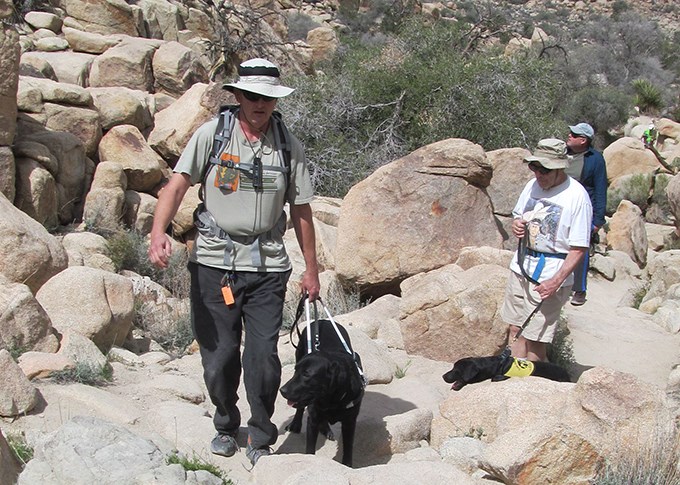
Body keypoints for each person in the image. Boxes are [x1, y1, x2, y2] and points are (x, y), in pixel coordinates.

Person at [148, 58, 320, 466]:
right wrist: (158, 233)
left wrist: (312, 269)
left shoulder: (286, 144)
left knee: (262, 357)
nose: (259, 104)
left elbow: (302, 210)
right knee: (220, 355)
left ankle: (261, 435)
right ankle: (226, 425)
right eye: (251, 96)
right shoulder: (212, 136)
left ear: (276, 101)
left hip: (268, 266)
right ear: (238, 96)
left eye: (267, 97)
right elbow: (175, 187)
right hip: (213, 263)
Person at [500, 138, 592, 362]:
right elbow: (519, 215)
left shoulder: (576, 197)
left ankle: (536, 387)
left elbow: (579, 248)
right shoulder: (532, 186)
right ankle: (512, 382)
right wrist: (517, 225)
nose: (538, 175)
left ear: (560, 167)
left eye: (545, 170)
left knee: (535, 340)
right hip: (522, 267)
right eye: (535, 168)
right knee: (515, 329)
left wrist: (556, 281)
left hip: (550, 274)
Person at [565, 122, 608, 306]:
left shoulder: (595, 159)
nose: (569, 136)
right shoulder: (562, 153)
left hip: (583, 211)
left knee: (580, 251)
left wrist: (598, 220)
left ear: (583, 140)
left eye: (573, 135)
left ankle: (579, 290)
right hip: (561, 207)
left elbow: (600, 190)